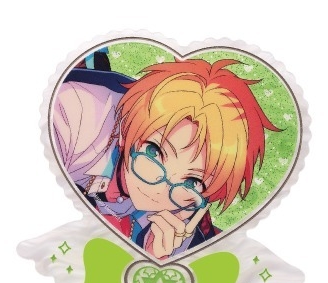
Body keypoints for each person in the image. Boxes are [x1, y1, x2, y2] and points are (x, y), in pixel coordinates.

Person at [52, 52, 279, 259]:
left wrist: (155, 255)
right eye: (155, 152)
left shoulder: (183, 209)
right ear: (125, 131)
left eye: (192, 181)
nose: (158, 189)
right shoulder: (75, 112)